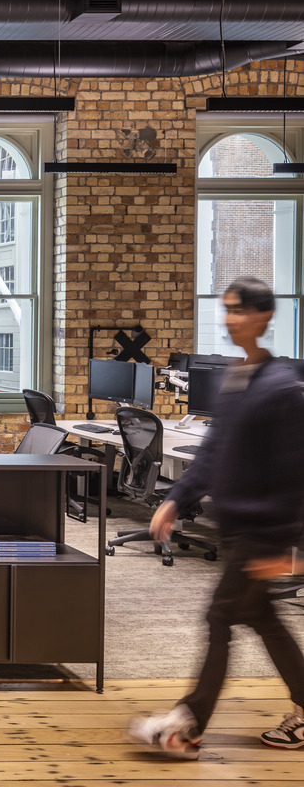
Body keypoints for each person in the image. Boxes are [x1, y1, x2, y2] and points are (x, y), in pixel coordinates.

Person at [127, 277, 304, 758]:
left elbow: (294, 475)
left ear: (264, 317)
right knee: (264, 620)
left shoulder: (282, 388)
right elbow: (212, 454)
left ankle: (188, 724)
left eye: (240, 310)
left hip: (261, 533)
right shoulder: (236, 378)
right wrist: (175, 499)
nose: (231, 319)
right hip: (238, 529)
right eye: (226, 310)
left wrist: (282, 544)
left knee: (220, 615)